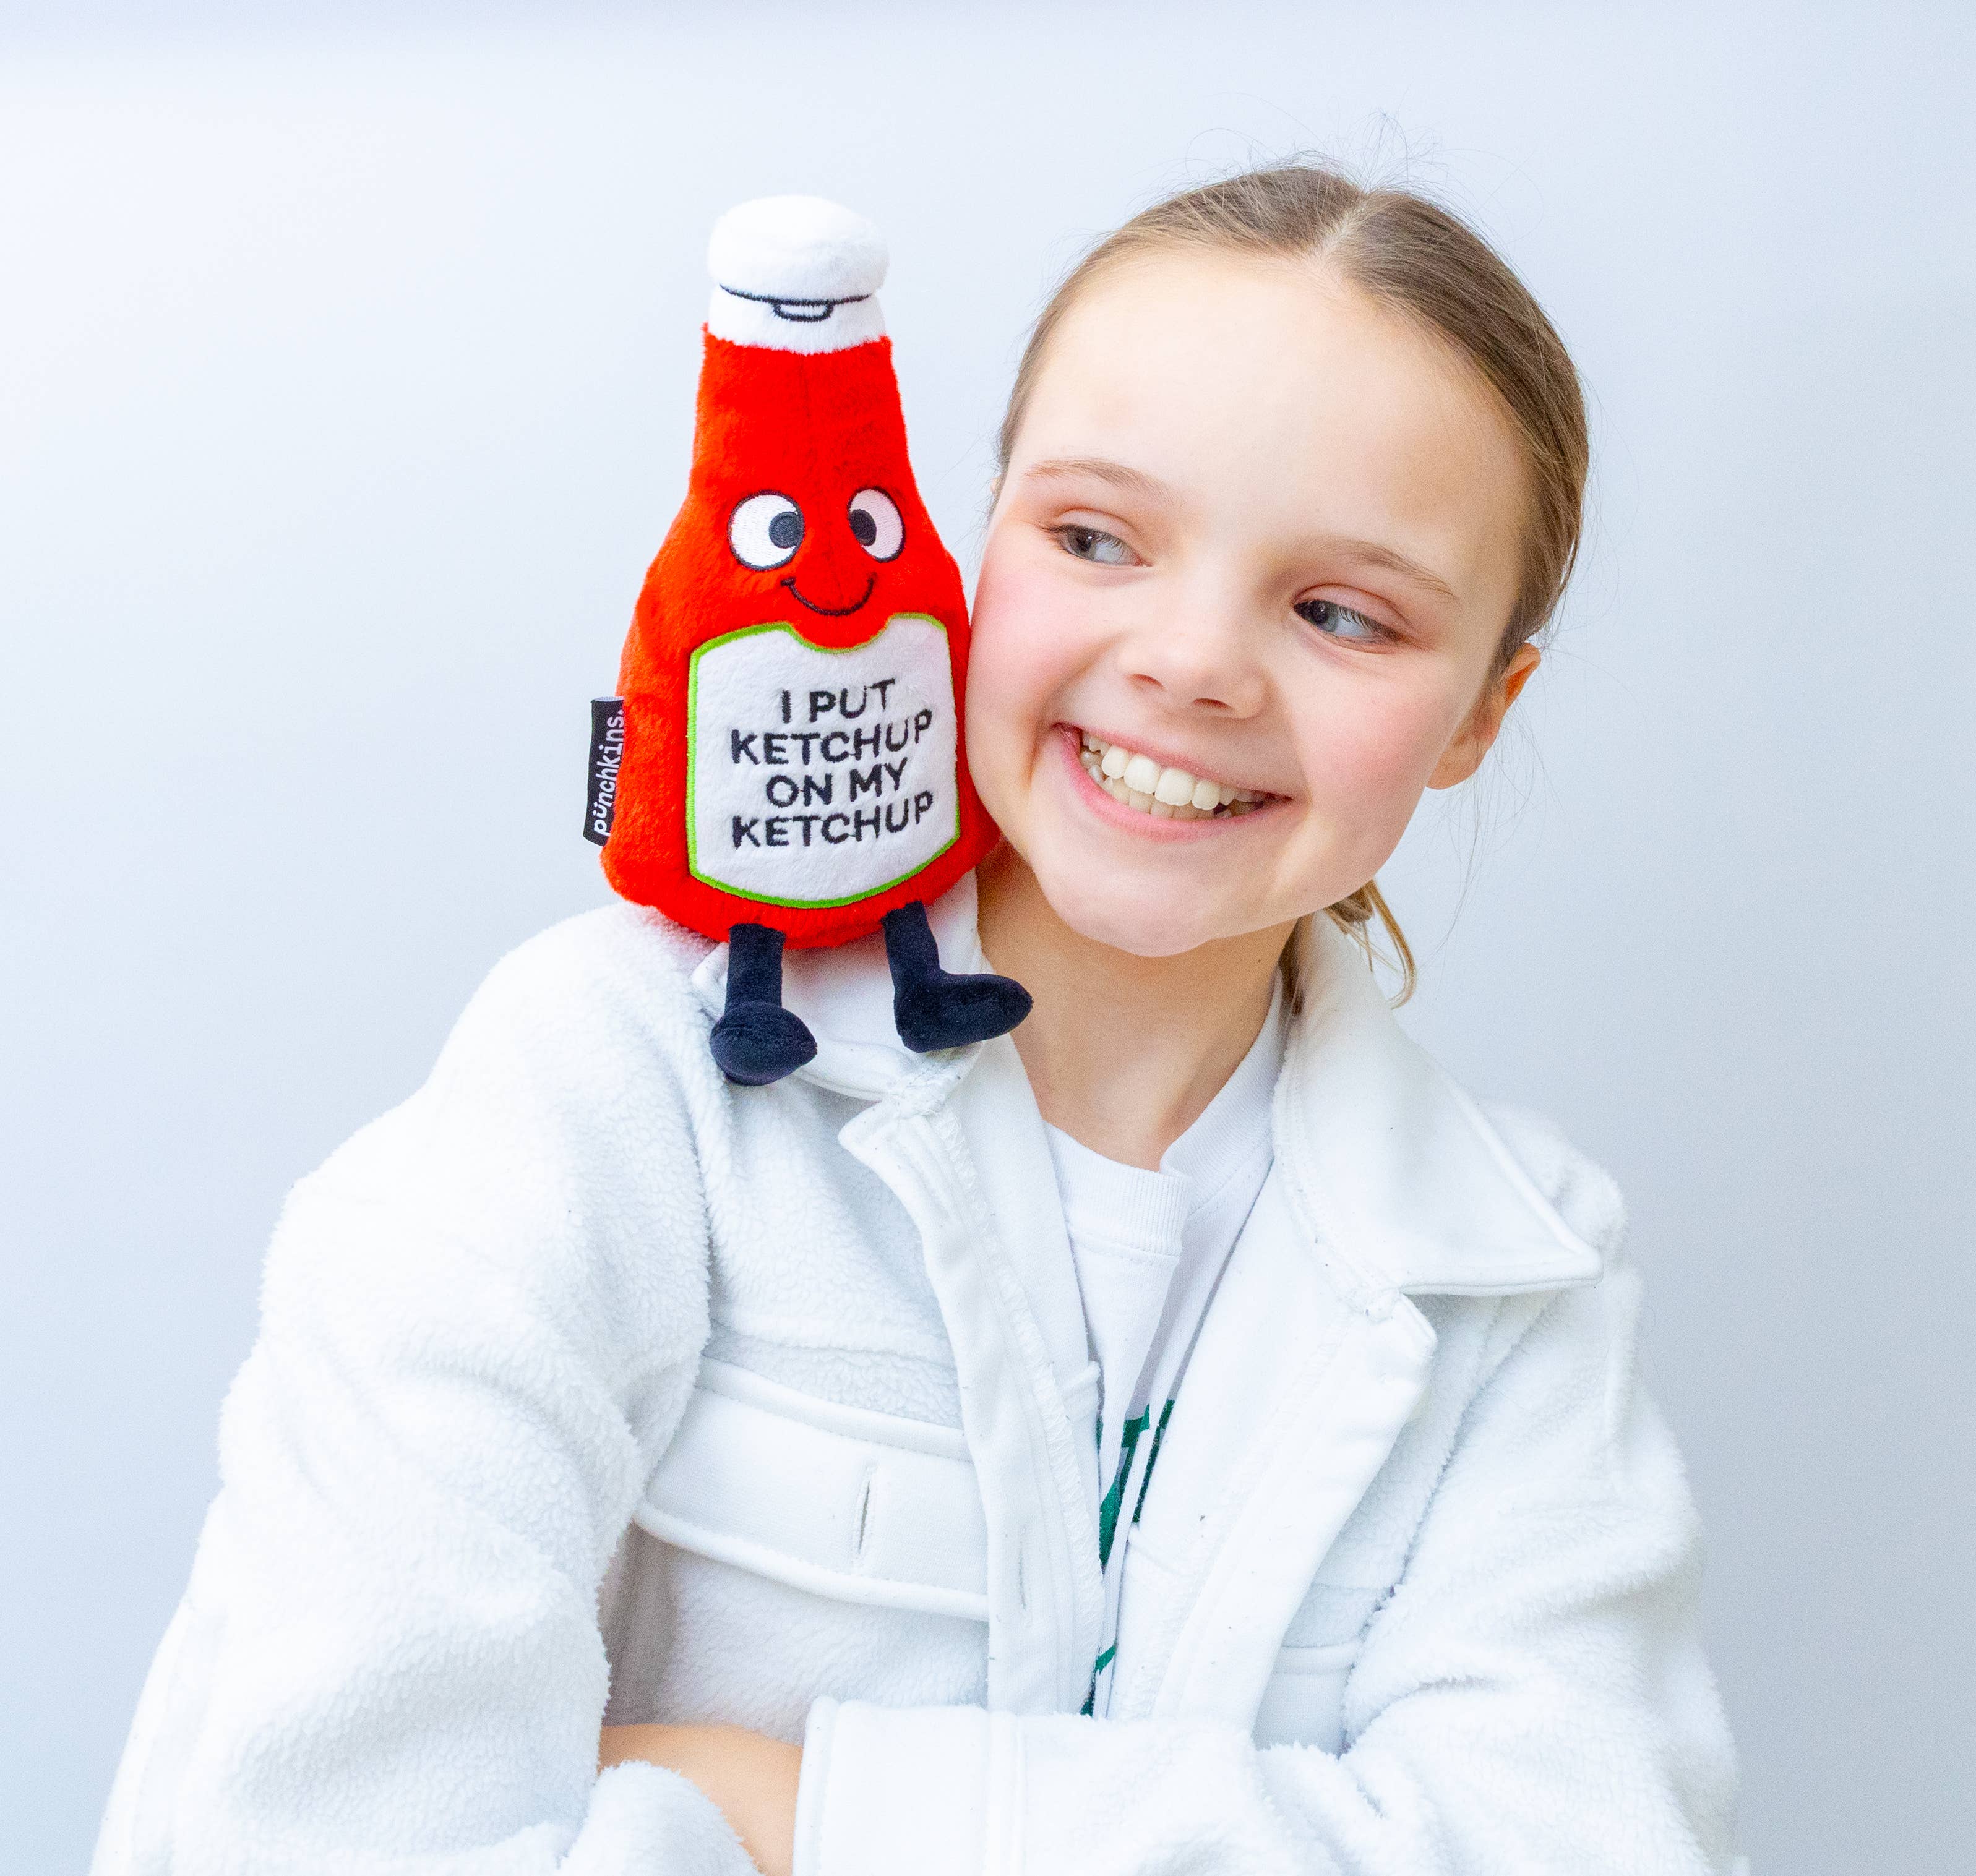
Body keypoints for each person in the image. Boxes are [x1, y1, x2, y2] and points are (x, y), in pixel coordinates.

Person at [89, 161, 1745, 1876]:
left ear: (1485, 705)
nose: (1191, 662)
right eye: (1095, 536)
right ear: (978, 538)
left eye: (1342, 612)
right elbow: (305, 1836)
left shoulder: (1515, 1279)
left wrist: (789, 1814)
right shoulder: (609, 1083)